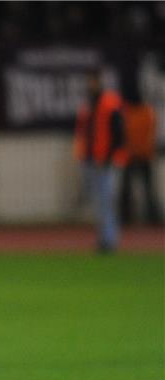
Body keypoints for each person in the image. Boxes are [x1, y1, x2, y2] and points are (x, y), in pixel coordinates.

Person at [74, 69, 127, 252]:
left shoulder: (109, 101)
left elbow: (119, 132)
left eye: (93, 81)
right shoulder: (88, 104)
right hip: (89, 159)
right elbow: (84, 132)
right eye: (89, 81)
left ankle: (110, 240)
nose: (90, 84)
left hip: (104, 161)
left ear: (99, 81)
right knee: (98, 202)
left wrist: (110, 157)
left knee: (106, 200)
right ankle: (104, 237)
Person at [119, 83, 161, 226]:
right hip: (143, 154)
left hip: (135, 154)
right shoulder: (147, 112)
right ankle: (150, 217)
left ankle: (127, 217)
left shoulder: (128, 113)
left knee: (132, 190)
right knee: (146, 189)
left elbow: (125, 135)